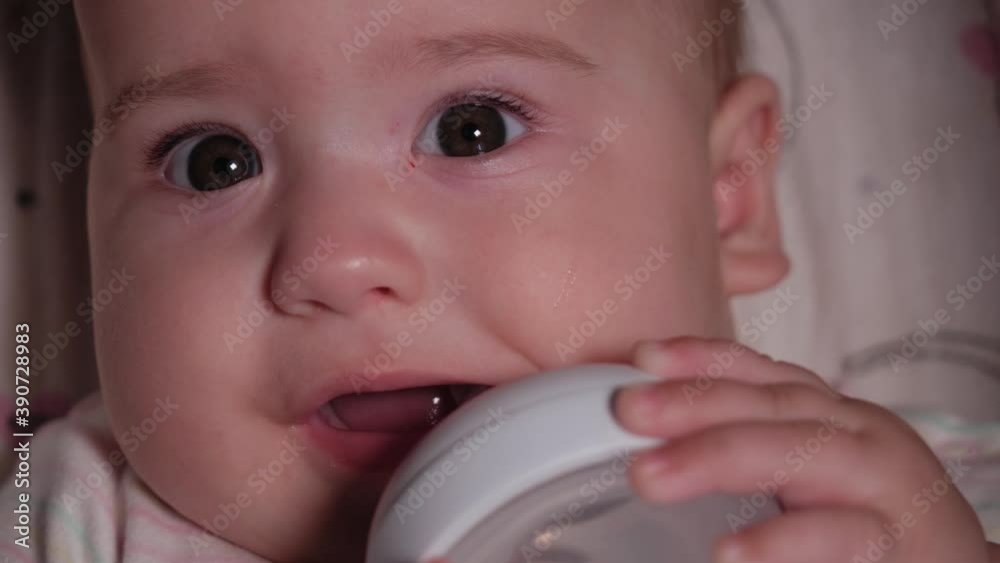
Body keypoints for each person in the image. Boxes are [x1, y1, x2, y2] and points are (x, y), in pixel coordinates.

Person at [2, 0, 996, 561]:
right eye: (212, 158)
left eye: (470, 129)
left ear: (726, 193)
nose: (334, 260)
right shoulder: (76, 520)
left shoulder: (878, 501)